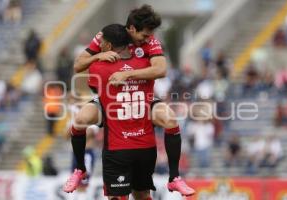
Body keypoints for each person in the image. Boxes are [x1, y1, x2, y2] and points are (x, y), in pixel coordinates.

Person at [70, 5, 194, 196]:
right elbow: (78, 64)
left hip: (141, 95)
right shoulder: (108, 35)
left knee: (169, 118)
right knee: (80, 120)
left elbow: (161, 70)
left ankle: (175, 177)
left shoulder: (151, 41)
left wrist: (128, 75)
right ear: (131, 29)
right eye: (144, 35)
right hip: (111, 99)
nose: (148, 39)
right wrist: (100, 55)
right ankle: (79, 170)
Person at [65, 24, 157, 200]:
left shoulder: (100, 67)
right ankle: (80, 169)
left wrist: (98, 57)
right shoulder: (145, 60)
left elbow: (79, 67)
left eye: (102, 43)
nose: (99, 44)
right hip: (136, 115)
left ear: (108, 46)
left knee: (79, 122)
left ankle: (80, 168)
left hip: (115, 116)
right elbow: (159, 69)